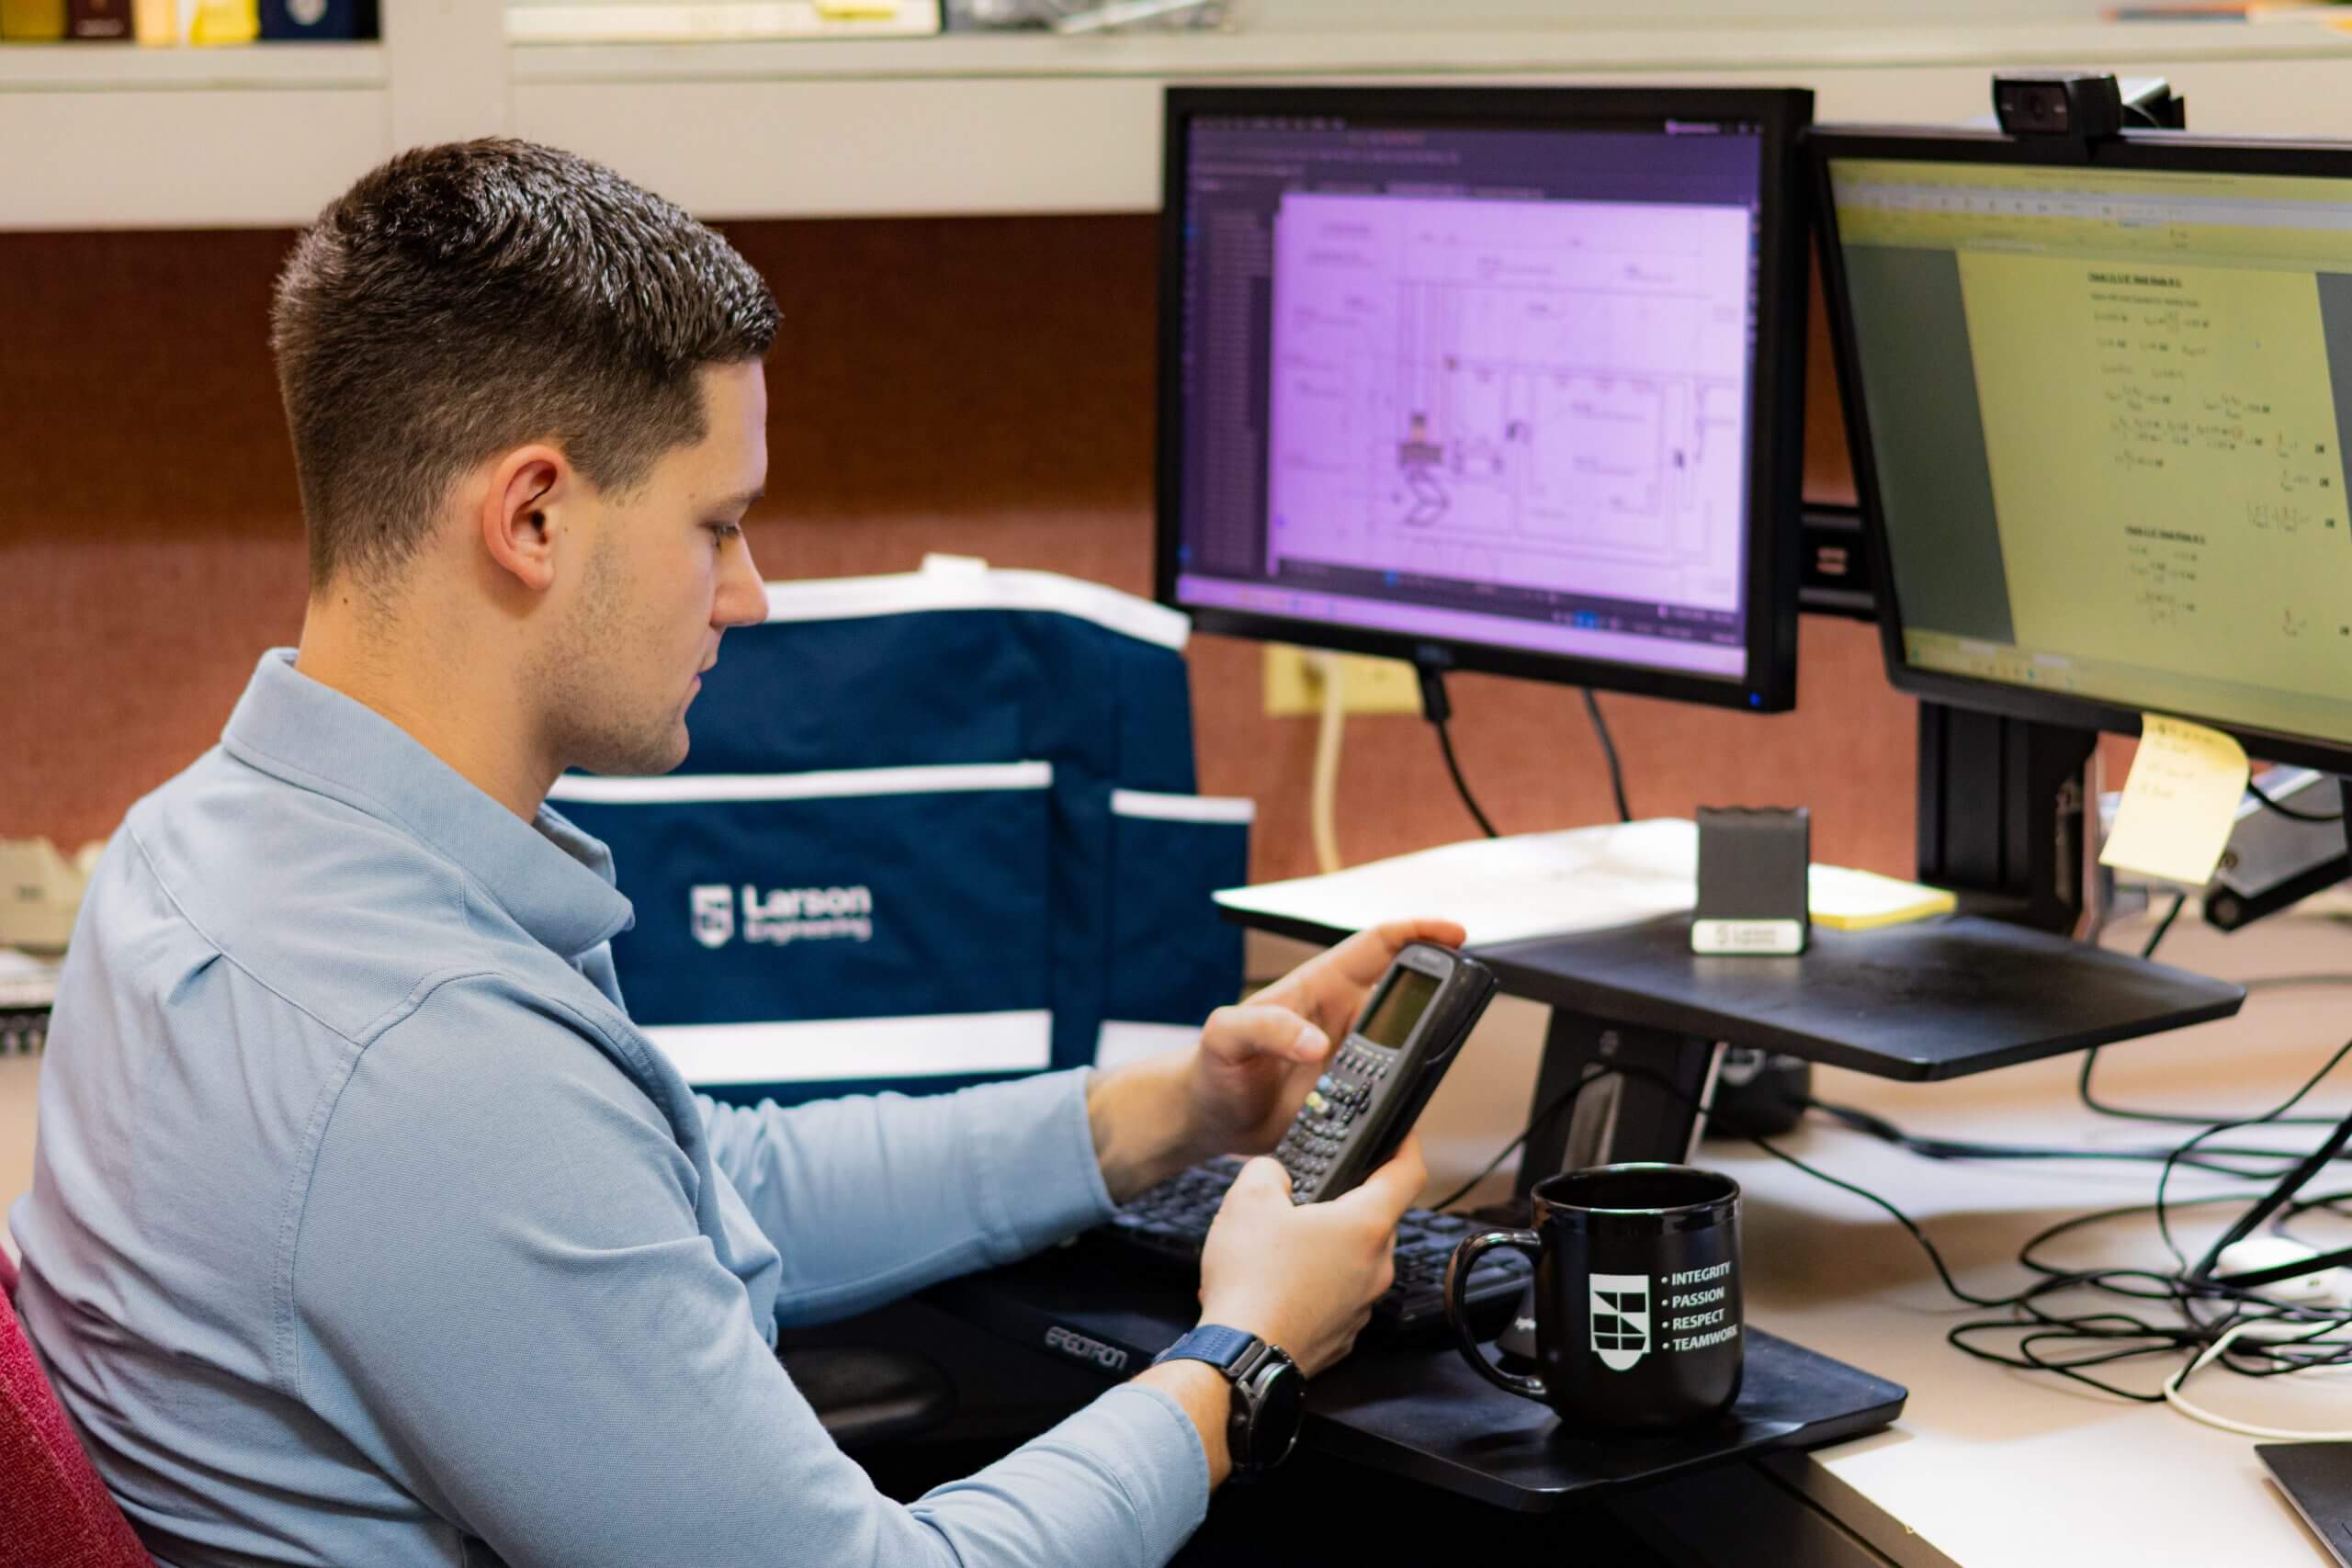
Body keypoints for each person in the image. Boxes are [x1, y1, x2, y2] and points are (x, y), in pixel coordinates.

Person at [6, 138, 1458, 1567]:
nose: (748, 596)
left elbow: (685, 1194)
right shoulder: (433, 1070)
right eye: (719, 526)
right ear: (531, 517)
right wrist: (1241, 1358)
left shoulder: (192, 847)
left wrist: (1176, 1111)